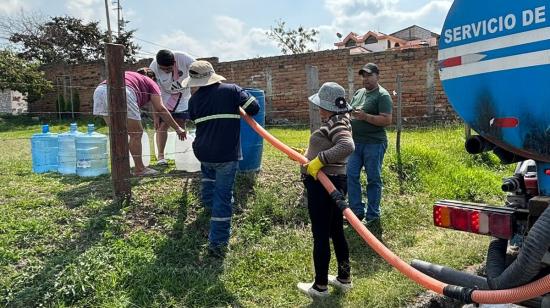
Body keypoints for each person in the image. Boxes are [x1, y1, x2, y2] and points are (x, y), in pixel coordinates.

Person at [182, 60, 260, 256]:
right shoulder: (232, 90)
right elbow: (254, 108)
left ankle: (207, 208)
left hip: (203, 151)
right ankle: (217, 243)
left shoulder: (194, 101)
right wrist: (238, 99)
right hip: (226, 154)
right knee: (223, 197)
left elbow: (193, 117)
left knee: (208, 180)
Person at [297, 82, 355, 298]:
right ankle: (343, 278)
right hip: (334, 181)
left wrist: (317, 161)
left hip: (325, 185)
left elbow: (346, 146)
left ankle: (320, 287)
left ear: (329, 106)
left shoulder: (337, 122)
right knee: (336, 231)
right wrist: (307, 154)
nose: (318, 108)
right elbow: (332, 145)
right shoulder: (340, 120)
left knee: (320, 234)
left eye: (321, 104)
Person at [92, 69, 187, 176]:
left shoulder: (130, 75)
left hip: (99, 90)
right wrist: (177, 128)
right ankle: (140, 169)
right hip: (123, 91)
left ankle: (119, 170)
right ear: (153, 78)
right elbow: (160, 108)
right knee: (136, 134)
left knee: (117, 133)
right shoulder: (151, 82)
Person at [347, 62, 393, 222]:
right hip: (355, 143)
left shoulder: (382, 95)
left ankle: (373, 214)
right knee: (351, 175)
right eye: (363, 76)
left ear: (377, 76)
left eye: (369, 75)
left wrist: (365, 117)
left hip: (374, 143)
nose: (365, 79)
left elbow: (387, 120)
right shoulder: (359, 93)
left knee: (373, 178)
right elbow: (350, 112)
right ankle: (356, 211)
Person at [149, 49, 195, 165]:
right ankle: (161, 157)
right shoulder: (153, 67)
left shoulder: (183, 57)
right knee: (162, 125)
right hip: (164, 98)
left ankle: (182, 154)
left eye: (169, 68)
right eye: (163, 69)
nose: (166, 71)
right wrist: (155, 116)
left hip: (182, 97)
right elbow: (152, 93)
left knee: (180, 125)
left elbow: (199, 68)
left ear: (174, 62)